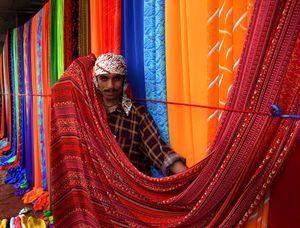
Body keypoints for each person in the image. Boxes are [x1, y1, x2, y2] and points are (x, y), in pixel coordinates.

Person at [93, 53, 187, 176]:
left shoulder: (136, 114)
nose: (110, 86)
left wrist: (192, 180)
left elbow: (158, 151)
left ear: (124, 81)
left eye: (116, 78)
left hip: (131, 191)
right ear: (96, 81)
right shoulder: (89, 112)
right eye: (104, 78)